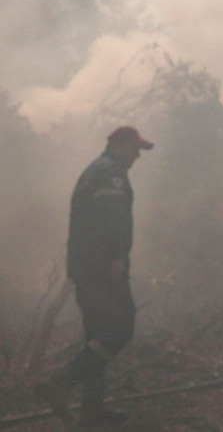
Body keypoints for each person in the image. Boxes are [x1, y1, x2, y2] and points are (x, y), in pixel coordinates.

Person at [36, 125, 153, 427]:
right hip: (101, 267)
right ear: (119, 145)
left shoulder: (96, 170)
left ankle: (91, 409)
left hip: (87, 267)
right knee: (119, 327)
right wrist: (115, 257)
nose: (137, 156)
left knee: (96, 335)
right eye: (135, 149)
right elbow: (111, 220)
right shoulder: (109, 173)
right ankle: (61, 382)